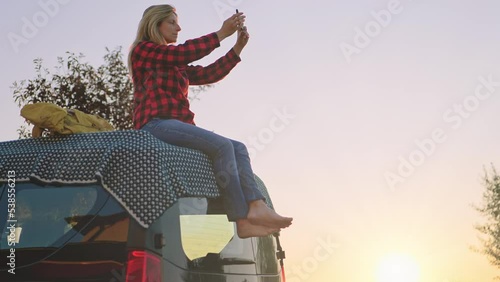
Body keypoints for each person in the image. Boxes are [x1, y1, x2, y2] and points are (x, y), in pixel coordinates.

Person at [128, 5, 292, 238]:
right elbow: (182, 52)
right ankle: (240, 215)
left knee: (238, 147)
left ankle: (255, 208)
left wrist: (236, 48)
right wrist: (221, 33)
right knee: (222, 146)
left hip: (174, 125)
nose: (179, 27)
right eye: (172, 22)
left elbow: (208, 74)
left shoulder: (174, 63)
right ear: (156, 24)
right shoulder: (143, 51)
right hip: (155, 124)